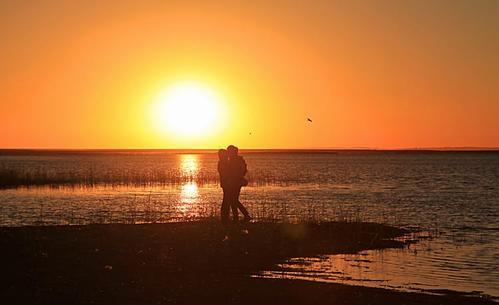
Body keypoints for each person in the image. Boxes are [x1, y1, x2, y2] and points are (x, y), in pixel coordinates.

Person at [226, 145, 251, 222]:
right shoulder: (234, 160)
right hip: (235, 182)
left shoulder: (236, 160)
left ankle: (244, 215)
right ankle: (238, 216)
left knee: (233, 200)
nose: (228, 153)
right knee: (233, 200)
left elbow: (241, 171)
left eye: (229, 151)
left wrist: (235, 178)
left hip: (236, 182)